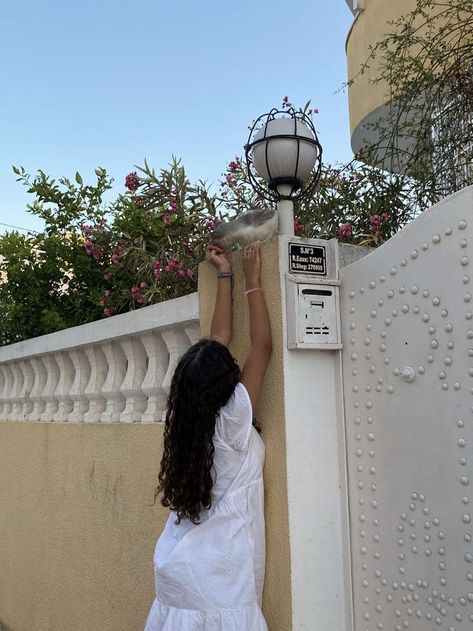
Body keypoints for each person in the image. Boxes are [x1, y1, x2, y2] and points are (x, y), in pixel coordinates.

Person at [144, 240, 272, 631]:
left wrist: (224, 273)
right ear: (223, 382)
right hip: (221, 579)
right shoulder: (232, 420)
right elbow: (262, 347)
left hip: (180, 573)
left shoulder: (188, 423)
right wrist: (252, 281)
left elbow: (217, 339)